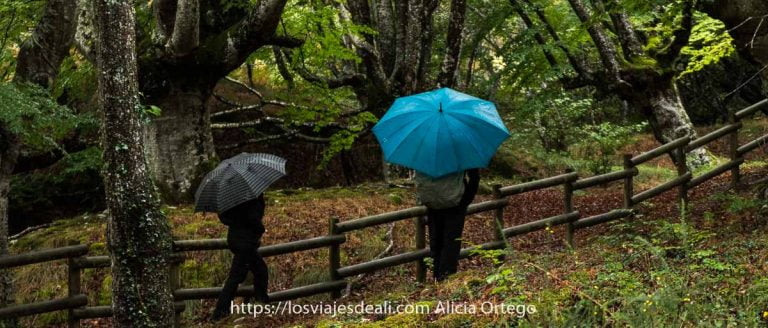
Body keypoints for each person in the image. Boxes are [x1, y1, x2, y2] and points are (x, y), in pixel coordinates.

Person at [211, 195, 269, 321]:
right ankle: (219, 313)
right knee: (237, 277)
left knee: (260, 271)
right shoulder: (251, 195)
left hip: (235, 238)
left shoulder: (230, 197)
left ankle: (261, 304)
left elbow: (223, 216)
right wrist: (261, 229)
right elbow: (252, 217)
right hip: (245, 241)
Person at [415, 168, 480, 281]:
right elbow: (474, 177)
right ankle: (446, 278)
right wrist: (465, 200)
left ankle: (437, 276)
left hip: (433, 202)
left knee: (436, 241)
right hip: (454, 203)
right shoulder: (460, 152)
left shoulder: (426, 152)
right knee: (451, 242)